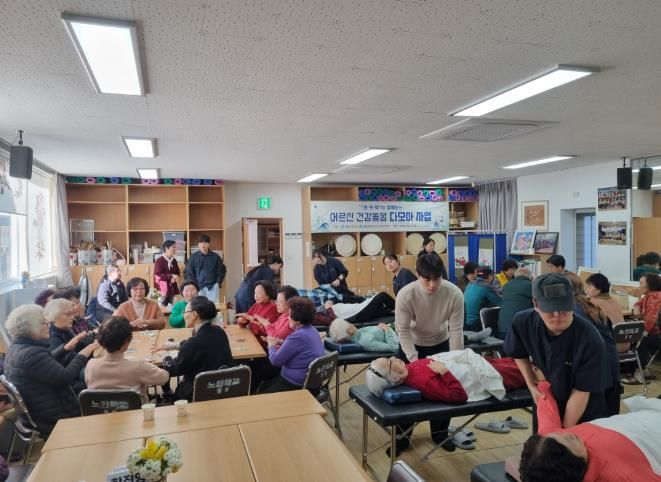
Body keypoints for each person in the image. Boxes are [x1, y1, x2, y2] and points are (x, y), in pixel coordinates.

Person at [505, 273, 608, 430]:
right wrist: (531, 384)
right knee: (543, 441)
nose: (557, 315)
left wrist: (563, 432)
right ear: (536, 304)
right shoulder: (523, 322)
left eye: (564, 308)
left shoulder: (589, 339)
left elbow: (582, 390)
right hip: (546, 400)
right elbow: (518, 353)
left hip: (583, 406)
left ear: (573, 302)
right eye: (550, 309)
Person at [519, 380, 661, 482]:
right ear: (576, 463)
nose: (568, 433)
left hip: (646, 413)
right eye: (569, 440)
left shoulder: (549, 443)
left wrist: (540, 383)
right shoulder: (622, 475)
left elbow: (545, 400)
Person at [393, 253, 464, 454]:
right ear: (418, 275)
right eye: (427, 279)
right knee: (406, 395)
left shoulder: (454, 293)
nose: (432, 285)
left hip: (440, 344)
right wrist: (415, 360)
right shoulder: (406, 294)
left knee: (443, 392)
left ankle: (440, 434)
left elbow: (456, 330)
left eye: (437, 279)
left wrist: (454, 361)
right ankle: (401, 438)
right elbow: (402, 330)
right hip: (411, 346)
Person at [3, 304, 98, 436]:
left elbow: (45, 366)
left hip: (39, 412)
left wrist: (64, 349)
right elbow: (65, 377)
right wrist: (84, 353)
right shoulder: (33, 354)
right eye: (44, 323)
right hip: (53, 418)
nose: (48, 325)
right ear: (32, 328)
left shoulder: (16, 349)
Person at [564, 272, 620, 416]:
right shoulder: (589, 305)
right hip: (611, 365)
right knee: (610, 419)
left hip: (595, 371)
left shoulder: (572, 312)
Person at [159, 297, 233, 401]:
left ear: (194, 315)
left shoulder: (192, 344)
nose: (184, 315)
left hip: (196, 394)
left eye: (185, 312)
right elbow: (200, 343)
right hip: (221, 389)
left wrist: (165, 357)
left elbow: (174, 369)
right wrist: (175, 345)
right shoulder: (219, 331)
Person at [85, 316, 170, 402]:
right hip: (135, 410)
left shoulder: (91, 365)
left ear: (100, 341)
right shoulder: (138, 367)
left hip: (100, 409)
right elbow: (164, 378)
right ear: (127, 342)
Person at [259, 297, 325, 393]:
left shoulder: (297, 336)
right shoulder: (312, 330)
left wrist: (271, 345)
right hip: (312, 383)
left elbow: (275, 361)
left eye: (289, 315)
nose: (288, 318)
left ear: (298, 320)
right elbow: (299, 347)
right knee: (264, 385)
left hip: (295, 385)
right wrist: (280, 342)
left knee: (261, 391)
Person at [45, 298, 94, 368]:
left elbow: (80, 346)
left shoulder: (64, 330)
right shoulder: (52, 337)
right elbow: (69, 359)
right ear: (54, 315)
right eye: (68, 314)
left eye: (72, 314)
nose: (72, 317)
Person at [633, 273, 661, 377]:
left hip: (658, 335)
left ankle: (638, 373)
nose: (639, 286)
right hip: (656, 333)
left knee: (638, 341)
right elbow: (638, 304)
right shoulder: (649, 296)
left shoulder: (655, 298)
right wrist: (636, 309)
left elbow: (650, 321)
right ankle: (642, 370)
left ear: (650, 284)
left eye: (641, 283)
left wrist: (641, 334)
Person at [184, 234, 226, 302]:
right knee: (199, 306)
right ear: (198, 244)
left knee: (213, 305)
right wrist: (193, 285)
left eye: (205, 243)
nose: (203, 245)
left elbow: (222, 270)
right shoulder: (193, 257)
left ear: (209, 244)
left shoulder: (215, 257)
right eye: (201, 243)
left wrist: (218, 283)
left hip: (212, 287)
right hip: (198, 287)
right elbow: (188, 272)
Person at [498, 268, 533, 339]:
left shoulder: (506, 286)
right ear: (530, 277)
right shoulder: (531, 286)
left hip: (503, 330)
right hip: (522, 332)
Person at [464, 266, 501, 331]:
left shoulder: (470, 284)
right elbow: (500, 303)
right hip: (477, 324)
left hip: (465, 323)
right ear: (490, 276)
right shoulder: (486, 287)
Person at [329, 318, 399, 352]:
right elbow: (393, 348)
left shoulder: (359, 332)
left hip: (395, 327)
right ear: (349, 331)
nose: (351, 323)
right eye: (348, 323)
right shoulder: (366, 341)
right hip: (398, 334)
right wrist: (386, 329)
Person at [153, 240, 181, 306]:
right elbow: (157, 274)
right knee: (162, 306)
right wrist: (171, 276)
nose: (175, 249)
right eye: (173, 247)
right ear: (166, 248)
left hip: (172, 287)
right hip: (162, 288)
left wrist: (175, 278)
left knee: (171, 306)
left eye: (175, 247)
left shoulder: (174, 260)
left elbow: (177, 272)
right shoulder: (159, 261)